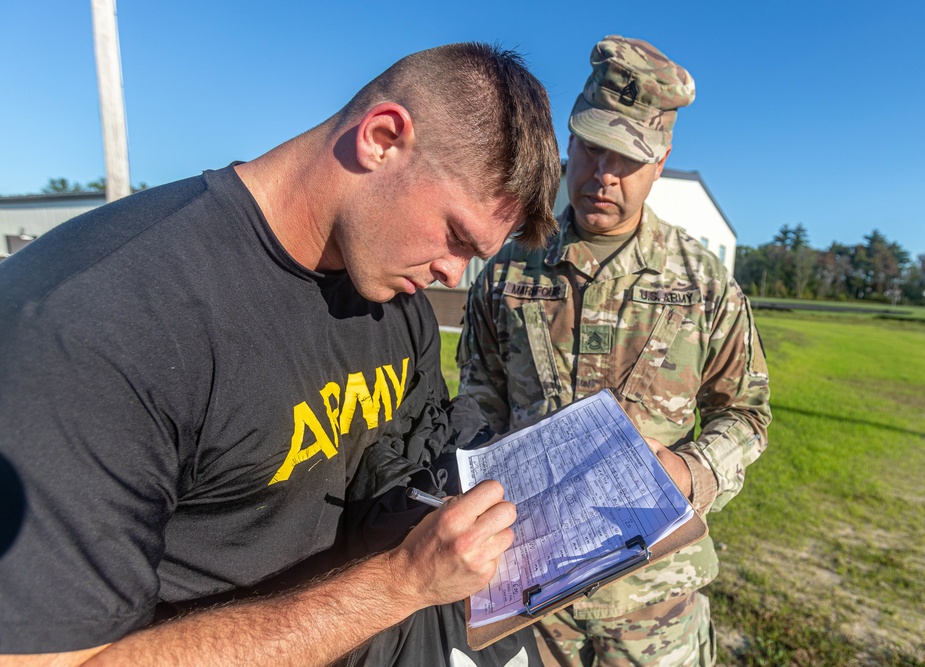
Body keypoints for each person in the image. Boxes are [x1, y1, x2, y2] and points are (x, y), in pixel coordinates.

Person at [0, 42, 562, 665]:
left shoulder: (393, 301)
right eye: (455, 235)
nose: (455, 274)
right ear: (380, 137)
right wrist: (403, 582)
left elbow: (414, 468)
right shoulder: (103, 325)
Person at [458, 35, 771, 667]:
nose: (603, 175)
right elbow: (477, 401)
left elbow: (748, 415)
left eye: (627, 159)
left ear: (661, 161)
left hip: (655, 603)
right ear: (567, 142)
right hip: (533, 600)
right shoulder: (508, 271)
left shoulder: (702, 281)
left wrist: (691, 473)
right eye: (592, 148)